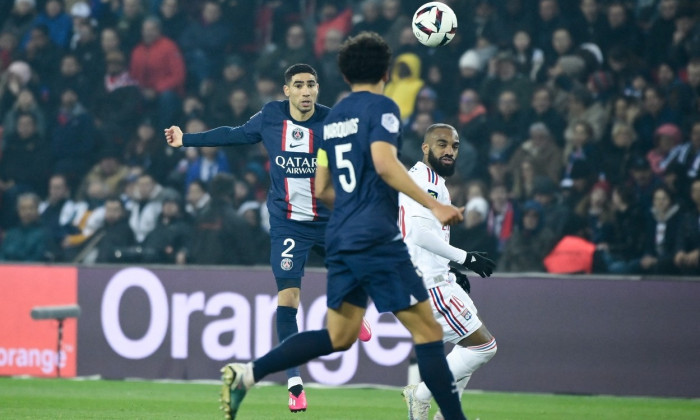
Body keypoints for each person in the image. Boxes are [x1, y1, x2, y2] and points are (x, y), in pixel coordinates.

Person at [214, 31, 466, 420]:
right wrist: (432, 204)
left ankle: (247, 373)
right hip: (373, 236)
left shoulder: (335, 120)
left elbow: (321, 187)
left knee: (339, 336)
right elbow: (384, 163)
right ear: (385, 71)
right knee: (429, 332)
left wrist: (353, 206)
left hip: (341, 235)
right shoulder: (382, 109)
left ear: (345, 76)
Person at [164, 63, 371, 413]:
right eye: (299, 85)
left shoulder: (334, 122)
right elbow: (234, 133)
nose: (306, 91)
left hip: (328, 220)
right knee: (288, 299)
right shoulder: (271, 116)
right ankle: (294, 382)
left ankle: (352, 309)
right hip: (288, 223)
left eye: (312, 85)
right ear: (286, 90)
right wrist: (187, 139)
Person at [398, 123, 497, 420]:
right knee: (484, 347)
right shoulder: (426, 180)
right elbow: (418, 233)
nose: (449, 151)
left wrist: (452, 265)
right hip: (429, 283)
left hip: (436, 276)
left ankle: (446, 415)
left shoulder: (425, 179)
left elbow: (424, 235)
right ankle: (421, 394)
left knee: (467, 346)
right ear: (425, 148)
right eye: (442, 144)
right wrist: (466, 258)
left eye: (454, 146)